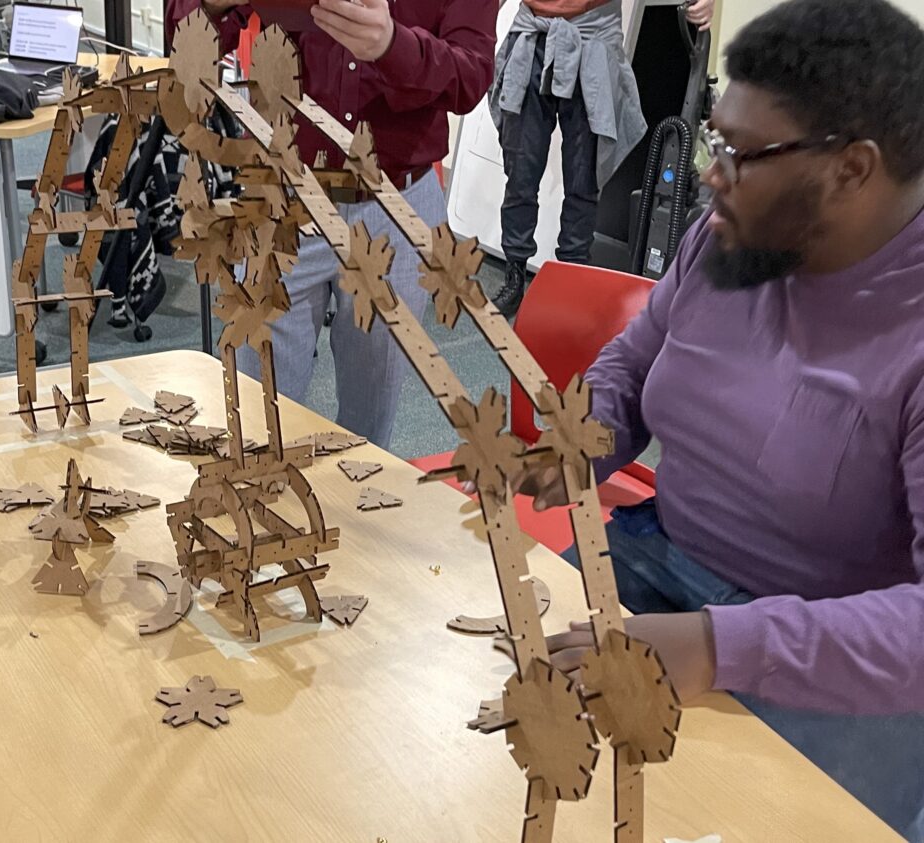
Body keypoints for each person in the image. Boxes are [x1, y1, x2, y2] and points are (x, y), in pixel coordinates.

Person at [512, 0, 924, 837]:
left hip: (826, 654)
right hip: (660, 561)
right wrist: (584, 434)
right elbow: (640, 356)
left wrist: (716, 646)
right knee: (515, 728)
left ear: (852, 168)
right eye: (713, 138)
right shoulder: (733, 234)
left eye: (738, 152)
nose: (709, 170)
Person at [165, 0, 498, 449]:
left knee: (368, 428)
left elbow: (471, 76)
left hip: (395, 205)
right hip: (283, 197)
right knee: (257, 422)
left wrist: (392, 46)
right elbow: (186, 42)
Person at [488, 0, 713, 317]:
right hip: (532, 33)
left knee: (585, 179)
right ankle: (514, 272)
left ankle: (570, 282)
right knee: (521, 173)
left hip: (594, 35)